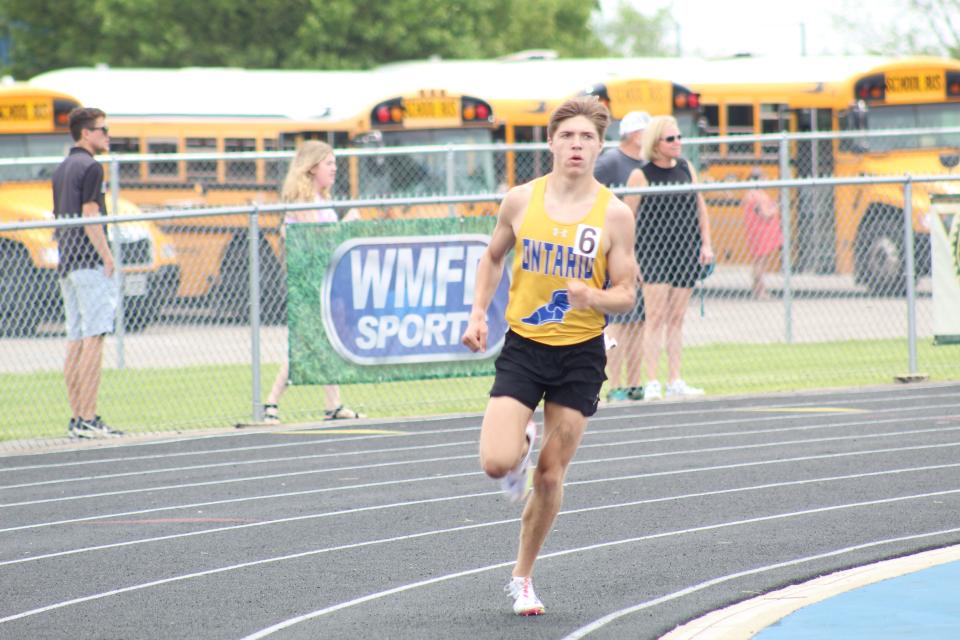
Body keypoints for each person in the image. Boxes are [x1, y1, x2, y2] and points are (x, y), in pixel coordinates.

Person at [461, 96, 638, 616]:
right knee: (496, 462)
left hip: (581, 353)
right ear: (552, 142)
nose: (576, 145)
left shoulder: (615, 213)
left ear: (600, 145)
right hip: (525, 347)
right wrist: (477, 315)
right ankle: (520, 441)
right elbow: (492, 257)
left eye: (586, 137)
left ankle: (522, 578)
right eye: (567, 136)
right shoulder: (520, 200)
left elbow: (627, 292)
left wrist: (594, 297)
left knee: (551, 474)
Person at [263, 140, 364, 424]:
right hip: (309, 281)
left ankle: (332, 404)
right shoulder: (302, 200)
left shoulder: (321, 199)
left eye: (335, 163)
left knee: (325, 341)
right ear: (312, 167)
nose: (335, 168)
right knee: (305, 342)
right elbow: (317, 237)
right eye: (329, 163)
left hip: (324, 279)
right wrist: (347, 223)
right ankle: (270, 402)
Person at [624, 115, 714, 401]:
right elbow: (628, 218)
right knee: (656, 317)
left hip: (684, 250)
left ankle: (675, 378)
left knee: (677, 318)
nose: (678, 143)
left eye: (679, 138)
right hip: (652, 252)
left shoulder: (687, 168)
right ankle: (652, 381)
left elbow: (700, 207)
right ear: (656, 143)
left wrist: (706, 244)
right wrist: (630, 258)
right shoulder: (642, 174)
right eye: (671, 139)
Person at [52, 107, 123, 439]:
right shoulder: (90, 167)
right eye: (102, 129)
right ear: (86, 134)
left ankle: (77, 417)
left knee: (77, 340)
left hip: (67, 263)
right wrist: (107, 256)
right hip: (87, 263)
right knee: (94, 339)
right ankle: (88, 417)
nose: (107, 135)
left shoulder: (63, 167)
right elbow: (90, 214)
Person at [593, 110, 650, 402]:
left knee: (639, 321)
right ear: (637, 134)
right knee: (615, 320)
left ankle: (634, 383)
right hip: (613, 252)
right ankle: (613, 384)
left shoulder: (646, 165)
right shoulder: (610, 162)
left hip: (643, 252)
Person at [742, 168, 783, 299]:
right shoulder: (757, 195)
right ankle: (760, 291)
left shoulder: (750, 195)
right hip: (761, 232)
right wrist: (776, 207)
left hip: (756, 232)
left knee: (758, 262)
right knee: (761, 262)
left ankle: (757, 289)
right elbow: (764, 214)